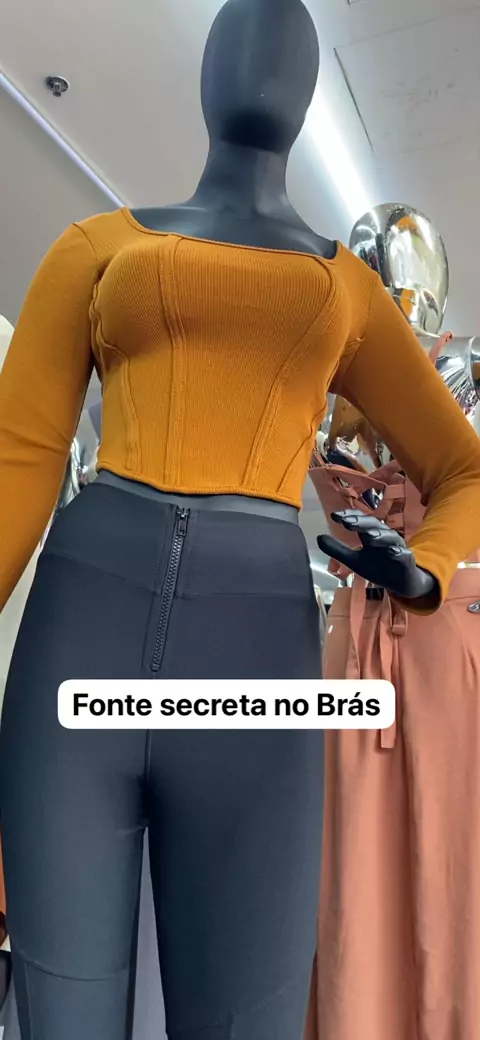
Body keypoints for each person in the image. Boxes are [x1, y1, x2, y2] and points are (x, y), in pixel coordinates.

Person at [1, 3, 480, 1038]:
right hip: (80, 638)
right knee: (61, 1009)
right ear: (207, 72)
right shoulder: (96, 245)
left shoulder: (349, 288)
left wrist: (427, 568)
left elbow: (465, 466)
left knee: (246, 1016)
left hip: (255, 669)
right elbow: (20, 458)